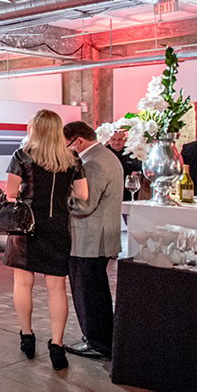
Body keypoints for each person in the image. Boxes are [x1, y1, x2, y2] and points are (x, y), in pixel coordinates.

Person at [4, 110, 88, 371]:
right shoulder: (72, 158)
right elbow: (83, 195)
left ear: (35, 128)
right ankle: (58, 346)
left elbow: (9, 194)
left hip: (26, 226)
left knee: (23, 283)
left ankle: (27, 337)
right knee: (56, 288)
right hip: (57, 227)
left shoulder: (22, 155)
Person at [63, 120, 124, 358]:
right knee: (94, 291)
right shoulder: (104, 156)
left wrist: (57, 200)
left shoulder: (93, 162)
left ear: (78, 140)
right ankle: (99, 339)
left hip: (89, 239)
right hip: (96, 237)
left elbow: (84, 204)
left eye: (67, 145)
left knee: (88, 293)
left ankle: (97, 343)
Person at [105, 127, 144, 202]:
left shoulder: (133, 152)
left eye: (120, 139)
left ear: (125, 140)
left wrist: (138, 174)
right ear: (109, 140)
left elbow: (142, 169)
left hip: (129, 192)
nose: (116, 142)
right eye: (113, 139)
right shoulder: (104, 153)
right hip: (109, 192)